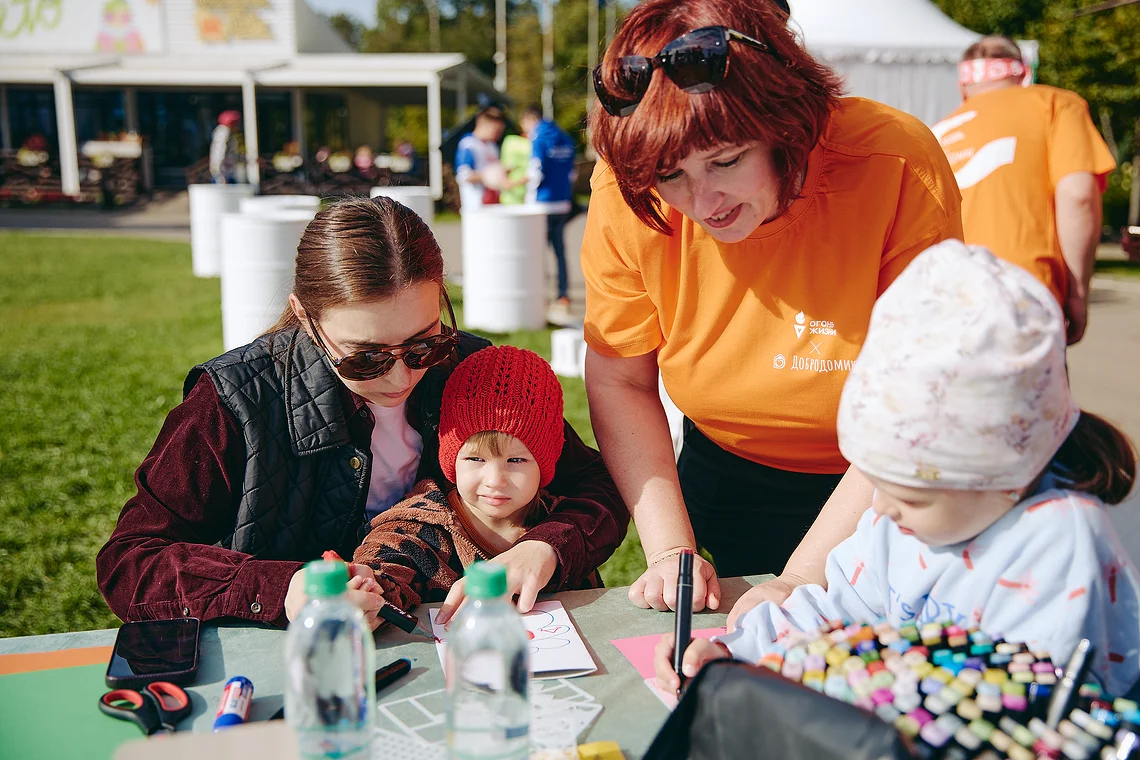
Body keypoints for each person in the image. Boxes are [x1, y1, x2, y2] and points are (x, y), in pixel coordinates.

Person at [584, 0, 963, 617]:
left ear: (786, 123)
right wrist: (670, 551)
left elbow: (921, 396)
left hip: (893, 479)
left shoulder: (894, 160)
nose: (702, 200)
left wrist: (801, 580)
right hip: (728, 474)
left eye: (726, 161)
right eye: (670, 176)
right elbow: (619, 374)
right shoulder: (628, 187)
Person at [96, 196, 628, 629]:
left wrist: (546, 546)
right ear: (305, 316)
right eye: (365, 357)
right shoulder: (234, 399)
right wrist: (285, 588)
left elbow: (598, 484)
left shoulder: (471, 366)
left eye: (423, 345)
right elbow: (129, 563)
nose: (400, 379)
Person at [654, 241, 1140, 698]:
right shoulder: (912, 520)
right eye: (876, 480)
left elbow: (1019, 709)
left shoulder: (1058, 549)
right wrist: (734, 653)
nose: (880, 508)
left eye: (910, 495)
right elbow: (836, 610)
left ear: (1002, 478)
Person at [353, 345, 603, 622]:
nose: (495, 481)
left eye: (516, 461)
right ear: (451, 459)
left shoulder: (562, 527)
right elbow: (387, 563)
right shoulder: (418, 527)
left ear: (548, 461)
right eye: (475, 459)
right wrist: (372, 589)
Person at [933, 36, 1116, 345]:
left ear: (963, 86)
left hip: (945, 304)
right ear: (1022, 73)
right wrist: (1078, 292)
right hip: (1024, 294)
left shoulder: (938, 132)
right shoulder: (1055, 104)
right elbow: (1078, 196)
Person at [520, 105, 578, 325]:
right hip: (562, 201)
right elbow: (571, 173)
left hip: (541, 204)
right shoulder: (564, 138)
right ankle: (563, 295)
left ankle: (540, 296)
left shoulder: (538, 139)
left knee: (537, 253)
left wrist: (521, 189)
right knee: (560, 251)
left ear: (530, 120)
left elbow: (536, 171)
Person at [454, 106, 507, 210]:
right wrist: (488, 176)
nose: (498, 135)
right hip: (476, 207)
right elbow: (463, 175)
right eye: (496, 130)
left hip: (494, 204)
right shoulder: (468, 144)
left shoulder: (492, 146)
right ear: (484, 124)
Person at [209, 110, 241, 184]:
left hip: (227, 169)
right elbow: (220, 151)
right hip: (224, 171)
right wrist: (220, 168)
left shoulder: (227, 132)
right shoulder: (224, 132)